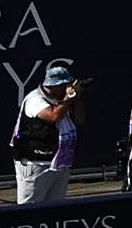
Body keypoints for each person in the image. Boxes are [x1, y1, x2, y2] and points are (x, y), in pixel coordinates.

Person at [9, 65, 81, 204]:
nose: (67, 88)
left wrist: (76, 99)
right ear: (54, 86)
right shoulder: (34, 99)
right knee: (30, 208)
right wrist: (68, 98)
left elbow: (80, 119)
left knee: (55, 207)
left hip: (59, 161)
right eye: (65, 86)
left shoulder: (64, 100)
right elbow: (53, 116)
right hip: (35, 163)